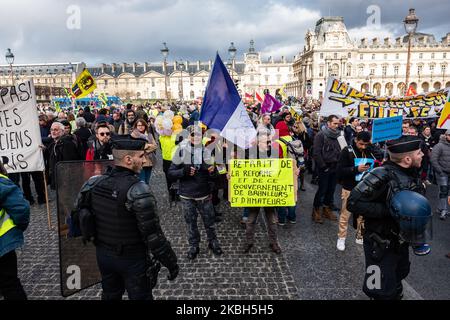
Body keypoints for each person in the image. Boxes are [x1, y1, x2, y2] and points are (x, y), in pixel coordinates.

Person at [73, 135, 179, 300]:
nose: (144, 161)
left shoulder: (93, 183)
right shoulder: (138, 189)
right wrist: (171, 263)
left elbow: (79, 214)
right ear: (128, 159)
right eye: (141, 156)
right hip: (132, 259)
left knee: (110, 295)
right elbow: (153, 236)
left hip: (103, 256)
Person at [347, 135, 428, 300]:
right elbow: (353, 203)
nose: (423, 155)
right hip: (379, 241)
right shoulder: (380, 174)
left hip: (400, 240)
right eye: (419, 153)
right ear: (407, 159)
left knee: (400, 272)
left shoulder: (412, 173)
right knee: (377, 286)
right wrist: (389, 209)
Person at [168, 125, 223, 260]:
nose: (196, 137)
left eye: (198, 135)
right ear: (188, 136)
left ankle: (213, 242)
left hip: (204, 195)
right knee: (191, 223)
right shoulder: (181, 151)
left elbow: (216, 174)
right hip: (187, 195)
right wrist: (184, 172)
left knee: (209, 222)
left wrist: (213, 172)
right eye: (193, 135)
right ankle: (194, 245)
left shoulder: (207, 151)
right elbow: (170, 172)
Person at [242, 131, 283, 254]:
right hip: (254, 192)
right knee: (250, 221)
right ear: (257, 142)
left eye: (269, 142)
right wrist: (231, 175)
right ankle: (249, 242)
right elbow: (241, 170)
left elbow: (282, 169)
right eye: (266, 142)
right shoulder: (249, 154)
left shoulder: (273, 153)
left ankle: (274, 243)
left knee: (272, 221)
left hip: (269, 192)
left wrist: (293, 171)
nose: (269, 144)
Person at [336, 131, 376, 251]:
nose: (363, 146)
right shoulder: (346, 151)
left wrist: (372, 147)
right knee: (345, 214)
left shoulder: (368, 150)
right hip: (349, 187)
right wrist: (356, 169)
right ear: (355, 140)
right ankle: (341, 238)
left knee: (363, 214)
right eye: (361, 144)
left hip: (364, 188)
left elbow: (377, 159)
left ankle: (360, 235)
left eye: (366, 144)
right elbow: (340, 170)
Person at [0, 156, 30, 300]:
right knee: (10, 285)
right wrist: (19, 228)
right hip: (3, 244)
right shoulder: (2, 183)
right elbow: (21, 209)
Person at [311, 115, 342, 223]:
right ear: (328, 123)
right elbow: (316, 153)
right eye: (335, 123)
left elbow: (344, 150)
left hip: (335, 167)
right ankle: (316, 211)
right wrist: (323, 167)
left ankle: (326, 209)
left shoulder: (340, 135)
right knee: (322, 190)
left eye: (338, 123)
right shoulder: (321, 135)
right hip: (325, 167)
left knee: (331, 190)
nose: (337, 126)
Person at [430, 129, 450, 220]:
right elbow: (433, 159)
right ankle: (444, 210)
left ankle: (440, 208)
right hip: (442, 173)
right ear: (446, 135)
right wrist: (440, 171)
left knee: (445, 191)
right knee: (443, 191)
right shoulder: (439, 146)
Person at [131, 119, 157, 184]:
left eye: (142, 125)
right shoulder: (133, 135)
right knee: (142, 181)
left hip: (150, 161)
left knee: (147, 181)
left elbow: (155, 146)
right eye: (139, 125)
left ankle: (146, 192)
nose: (140, 127)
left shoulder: (149, 135)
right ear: (136, 126)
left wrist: (145, 147)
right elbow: (135, 148)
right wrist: (146, 146)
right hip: (140, 161)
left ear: (145, 126)